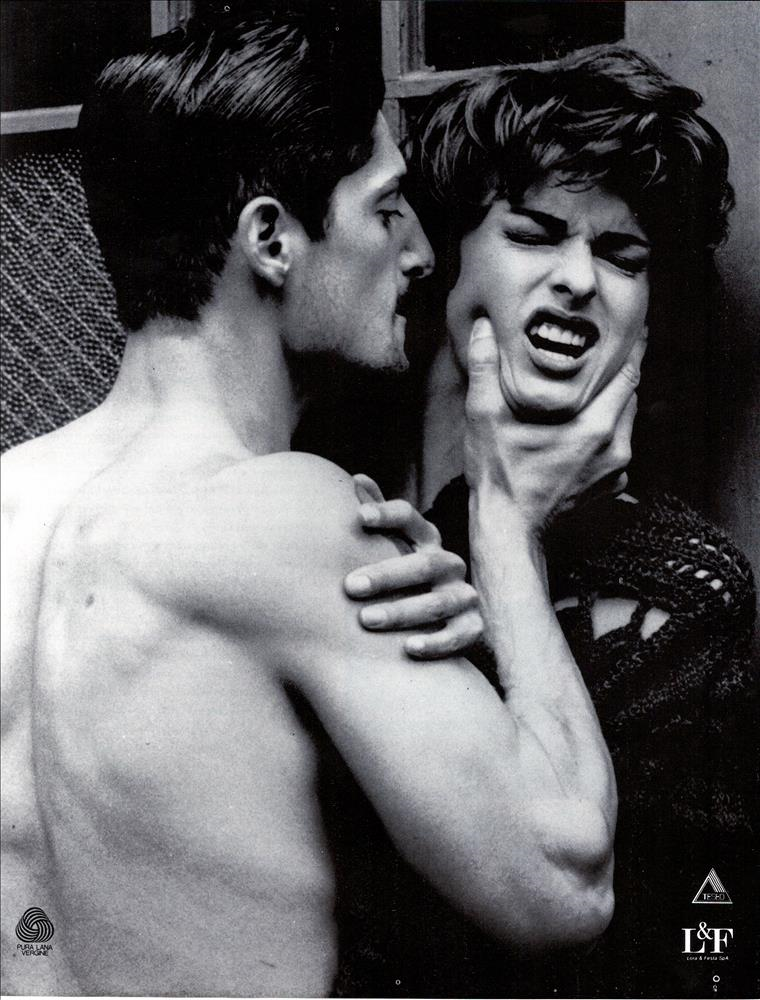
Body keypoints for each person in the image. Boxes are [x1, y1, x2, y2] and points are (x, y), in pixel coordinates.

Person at [0, 9, 639, 996]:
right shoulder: (285, 514)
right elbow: (563, 885)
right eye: (387, 209)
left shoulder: (13, 500)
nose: (420, 253)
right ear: (271, 240)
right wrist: (509, 524)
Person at [339, 44, 755, 997]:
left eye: (622, 257)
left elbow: (702, 945)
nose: (579, 279)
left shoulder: (689, 592)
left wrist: (507, 532)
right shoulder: (339, 509)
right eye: (535, 233)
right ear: (442, 260)